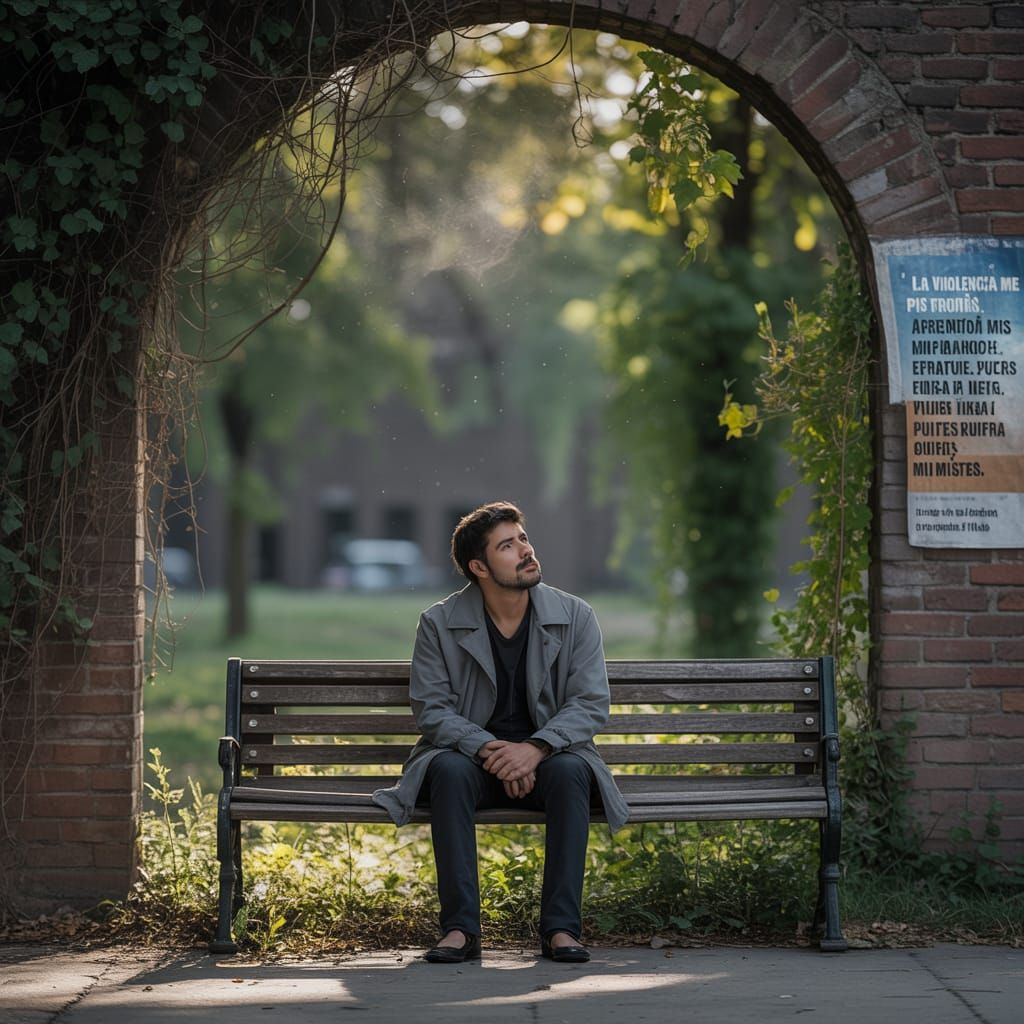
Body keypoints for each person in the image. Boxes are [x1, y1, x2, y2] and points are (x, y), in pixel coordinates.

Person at [373, 501, 628, 964]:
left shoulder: (576, 616)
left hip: (549, 760)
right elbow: (432, 710)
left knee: (573, 772)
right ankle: (460, 930)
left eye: (523, 539)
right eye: (507, 546)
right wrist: (492, 750)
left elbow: (590, 702)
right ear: (479, 567)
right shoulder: (438, 623)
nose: (525, 551)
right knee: (446, 771)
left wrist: (534, 749)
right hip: (472, 762)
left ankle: (562, 930)